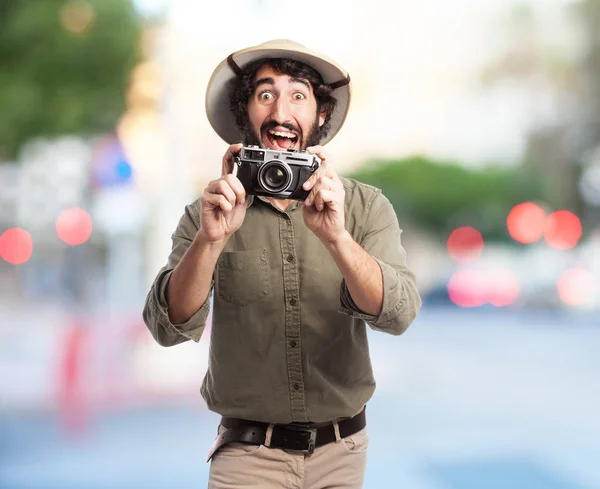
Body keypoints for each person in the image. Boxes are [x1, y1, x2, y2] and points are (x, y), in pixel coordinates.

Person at [142, 39, 421, 489]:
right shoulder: (206, 213)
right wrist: (212, 240)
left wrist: (337, 237)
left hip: (342, 454)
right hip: (245, 458)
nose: (280, 111)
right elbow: (166, 326)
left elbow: (400, 314)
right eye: (265, 94)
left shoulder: (365, 207)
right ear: (246, 114)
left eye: (298, 95)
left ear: (320, 115)